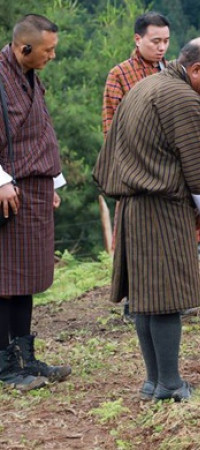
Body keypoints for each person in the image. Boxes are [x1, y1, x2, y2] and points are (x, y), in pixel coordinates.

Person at [94, 37, 200, 402]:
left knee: (144, 297)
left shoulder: (143, 87)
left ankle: (153, 380)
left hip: (133, 207)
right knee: (166, 297)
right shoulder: (182, 100)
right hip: (163, 208)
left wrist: (121, 188)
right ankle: (169, 382)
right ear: (196, 69)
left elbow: (109, 152)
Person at [0, 14, 71, 391]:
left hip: (34, 189)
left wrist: (52, 181)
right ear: (24, 48)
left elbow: (39, 130)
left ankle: (25, 357)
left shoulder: (27, 75)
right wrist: (1, 180)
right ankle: (5, 366)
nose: (53, 56)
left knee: (25, 277)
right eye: (48, 50)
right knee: (4, 280)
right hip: (8, 192)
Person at [102, 12, 170, 136]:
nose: (162, 47)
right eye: (156, 42)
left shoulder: (172, 72)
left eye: (166, 41)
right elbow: (111, 127)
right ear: (138, 40)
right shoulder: (120, 74)